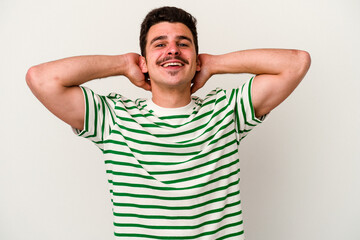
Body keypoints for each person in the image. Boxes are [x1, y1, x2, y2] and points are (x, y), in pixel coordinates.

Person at [26, 6, 311, 240]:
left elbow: (296, 62)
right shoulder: (113, 117)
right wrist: (123, 64)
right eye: (159, 44)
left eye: (183, 44)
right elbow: (41, 78)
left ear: (195, 60)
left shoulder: (226, 110)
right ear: (144, 63)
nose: (172, 50)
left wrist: (214, 63)